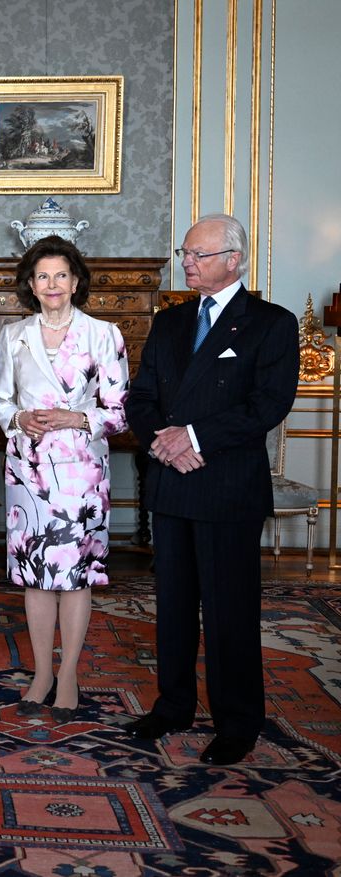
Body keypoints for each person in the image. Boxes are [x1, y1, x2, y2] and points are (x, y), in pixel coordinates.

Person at [123, 214, 298, 765]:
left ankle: (238, 722)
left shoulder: (271, 323)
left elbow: (268, 404)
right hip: (173, 483)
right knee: (172, 606)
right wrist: (163, 442)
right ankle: (173, 704)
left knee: (229, 611)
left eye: (199, 254)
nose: (187, 263)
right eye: (185, 253)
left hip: (227, 487)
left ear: (235, 259)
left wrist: (193, 436)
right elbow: (139, 397)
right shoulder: (170, 323)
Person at [0, 236, 130, 722]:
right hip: (28, 472)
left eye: (61, 275)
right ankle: (42, 672)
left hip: (80, 474)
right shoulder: (14, 335)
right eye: (42, 276)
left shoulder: (103, 334)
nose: (52, 284)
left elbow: (119, 412)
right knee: (34, 575)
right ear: (31, 284)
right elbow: (1, 401)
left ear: (76, 282)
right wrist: (17, 419)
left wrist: (77, 419)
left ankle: (68, 672)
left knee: (73, 577)